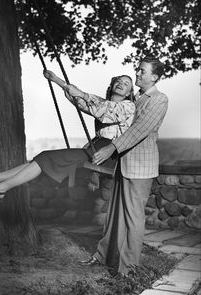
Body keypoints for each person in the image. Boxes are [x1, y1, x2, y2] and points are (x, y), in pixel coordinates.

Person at [0, 71, 135, 199]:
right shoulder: (101, 102)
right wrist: (57, 80)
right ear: (112, 85)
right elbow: (81, 101)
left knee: (45, 157)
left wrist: (82, 94)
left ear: (129, 93)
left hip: (106, 153)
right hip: (94, 147)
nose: (121, 83)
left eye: (126, 83)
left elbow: (103, 110)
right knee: (41, 158)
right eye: (119, 81)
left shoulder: (128, 106)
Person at [81, 56, 168, 276]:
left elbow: (140, 129)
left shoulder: (158, 99)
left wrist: (111, 148)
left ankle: (128, 270)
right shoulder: (135, 98)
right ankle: (104, 257)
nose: (137, 73)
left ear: (155, 77)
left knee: (133, 218)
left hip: (140, 167)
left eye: (142, 71)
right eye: (137, 70)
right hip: (124, 163)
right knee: (115, 215)